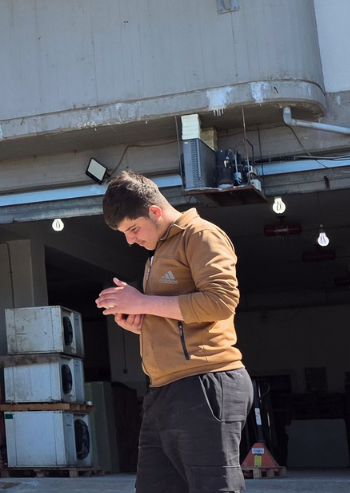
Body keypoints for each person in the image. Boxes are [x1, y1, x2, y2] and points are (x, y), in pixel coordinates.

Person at [94, 171, 251, 493]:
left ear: (155, 211)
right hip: (164, 390)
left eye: (133, 229)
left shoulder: (201, 235)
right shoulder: (160, 251)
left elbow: (221, 302)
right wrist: (140, 319)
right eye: (124, 233)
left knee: (214, 487)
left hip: (205, 382)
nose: (130, 239)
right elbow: (176, 318)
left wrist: (142, 301)